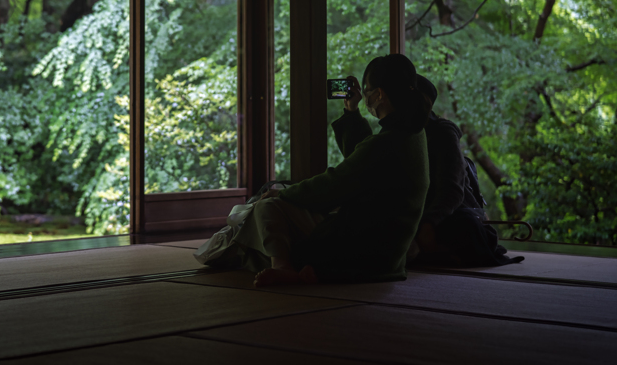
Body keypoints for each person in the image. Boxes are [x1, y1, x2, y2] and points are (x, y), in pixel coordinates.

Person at [202, 54, 432, 286]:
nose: (365, 99)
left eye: (368, 91)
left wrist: (283, 193)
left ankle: (283, 267)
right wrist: (351, 112)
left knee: (267, 207)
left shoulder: (385, 143)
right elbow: (362, 161)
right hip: (389, 254)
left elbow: (334, 184)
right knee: (267, 228)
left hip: (358, 249)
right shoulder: (413, 135)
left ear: (380, 95)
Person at [409, 75, 523, 267]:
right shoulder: (403, 133)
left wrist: (428, 223)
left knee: (462, 225)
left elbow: (451, 190)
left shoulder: (443, 133)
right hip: (424, 218)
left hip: (448, 219)